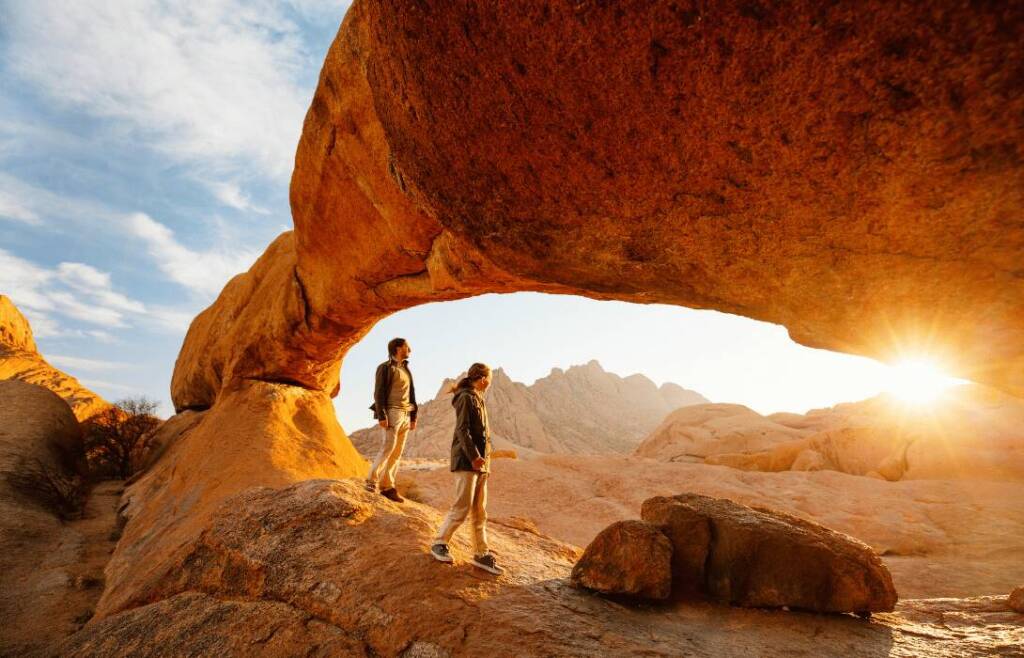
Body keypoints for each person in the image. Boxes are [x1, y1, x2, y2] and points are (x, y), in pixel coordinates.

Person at [430, 363, 503, 575]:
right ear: (481, 378)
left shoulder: (477, 397)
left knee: (480, 512)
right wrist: (474, 457)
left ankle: (481, 553)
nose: (489, 382)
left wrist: (484, 462)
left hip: (480, 464)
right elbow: (462, 430)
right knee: (461, 507)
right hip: (467, 462)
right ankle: (439, 542)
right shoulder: (465, 398)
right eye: (489, 378)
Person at [365, 337, 418, 502]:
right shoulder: (385, 368)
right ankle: (371, 482)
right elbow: (378, 392)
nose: (410, 349)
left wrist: (413, 416)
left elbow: (412, 395)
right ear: (398, 347)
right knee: (388, 447)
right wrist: (382, 415)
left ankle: (388, 487)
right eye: (407, 346)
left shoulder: (405, 369)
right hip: (392, 412)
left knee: (397, 453)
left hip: (405, 414)